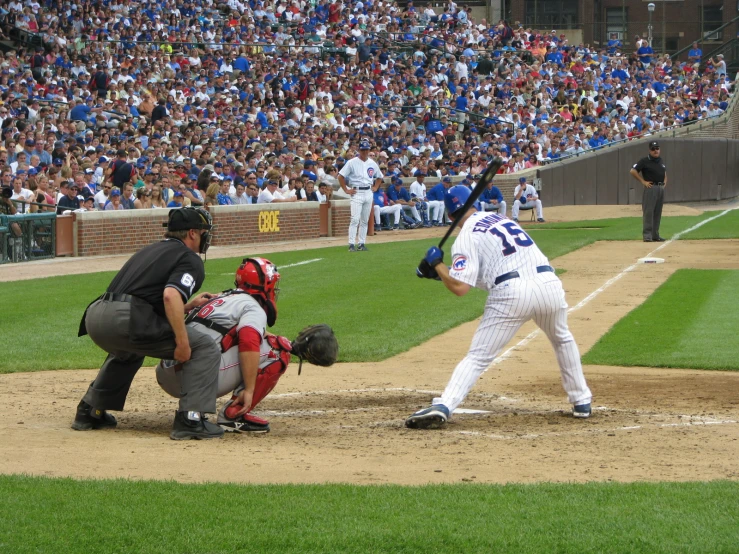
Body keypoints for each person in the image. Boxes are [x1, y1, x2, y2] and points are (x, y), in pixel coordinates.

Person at [407, 185, 593, 429]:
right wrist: (442, 273)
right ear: (477, 204)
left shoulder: (466, 236)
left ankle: (445, 404)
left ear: (450, 216)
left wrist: (438, 264)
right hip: (549, 284)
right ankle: (581, 401)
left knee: (478, 356)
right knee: (562, 339)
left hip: (512, 294)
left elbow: (461, 288)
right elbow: (489, 273)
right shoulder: (501, 219)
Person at [72, 207, 223, 440]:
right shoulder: (190, 258)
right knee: (203, 346)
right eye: (204, 232)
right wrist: (182, 343)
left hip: (96, 316)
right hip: (127, 319)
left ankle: (90, 410)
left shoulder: (151, 249)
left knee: (129, 349)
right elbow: (170, 295)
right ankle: (190, 420)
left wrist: (187, 306)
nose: (206, 237)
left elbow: (145, 297)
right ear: (193, 233)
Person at [155, 258, 287, 434]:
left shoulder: (220, 297)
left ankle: (197, 407)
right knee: (278, 350)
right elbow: (249, 340)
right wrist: (249, 389)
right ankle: (234, 416)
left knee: (219, 341)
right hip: (194, 379)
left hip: (166, 373)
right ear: (265, 285)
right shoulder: (252, 306)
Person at [338, 139, 383, 251]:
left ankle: (361, 243)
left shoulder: (372, 163)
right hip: (356, 191)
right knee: (354, 219)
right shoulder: (351, 162)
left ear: (368, 150)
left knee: (364, 220)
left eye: (366, 149)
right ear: (359, 150)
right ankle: (351, 244)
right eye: (363, 150)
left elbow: (379, 177)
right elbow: (340, 176)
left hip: (368, 191)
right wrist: (346, 189)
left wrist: (376, 187)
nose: (364, 152)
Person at [630, 140, 667, 242]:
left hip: (660, 188)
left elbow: (664, 173)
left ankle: (655, 235)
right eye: (653, 149)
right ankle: (647, 235)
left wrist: (664, 183)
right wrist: (643, 181)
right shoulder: (644, 161)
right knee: (649, 212)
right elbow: (633, 171)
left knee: (657, 212)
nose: (656, 151)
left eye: (657, 148)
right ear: (650, 150)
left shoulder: (660, 160)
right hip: (651, 188)